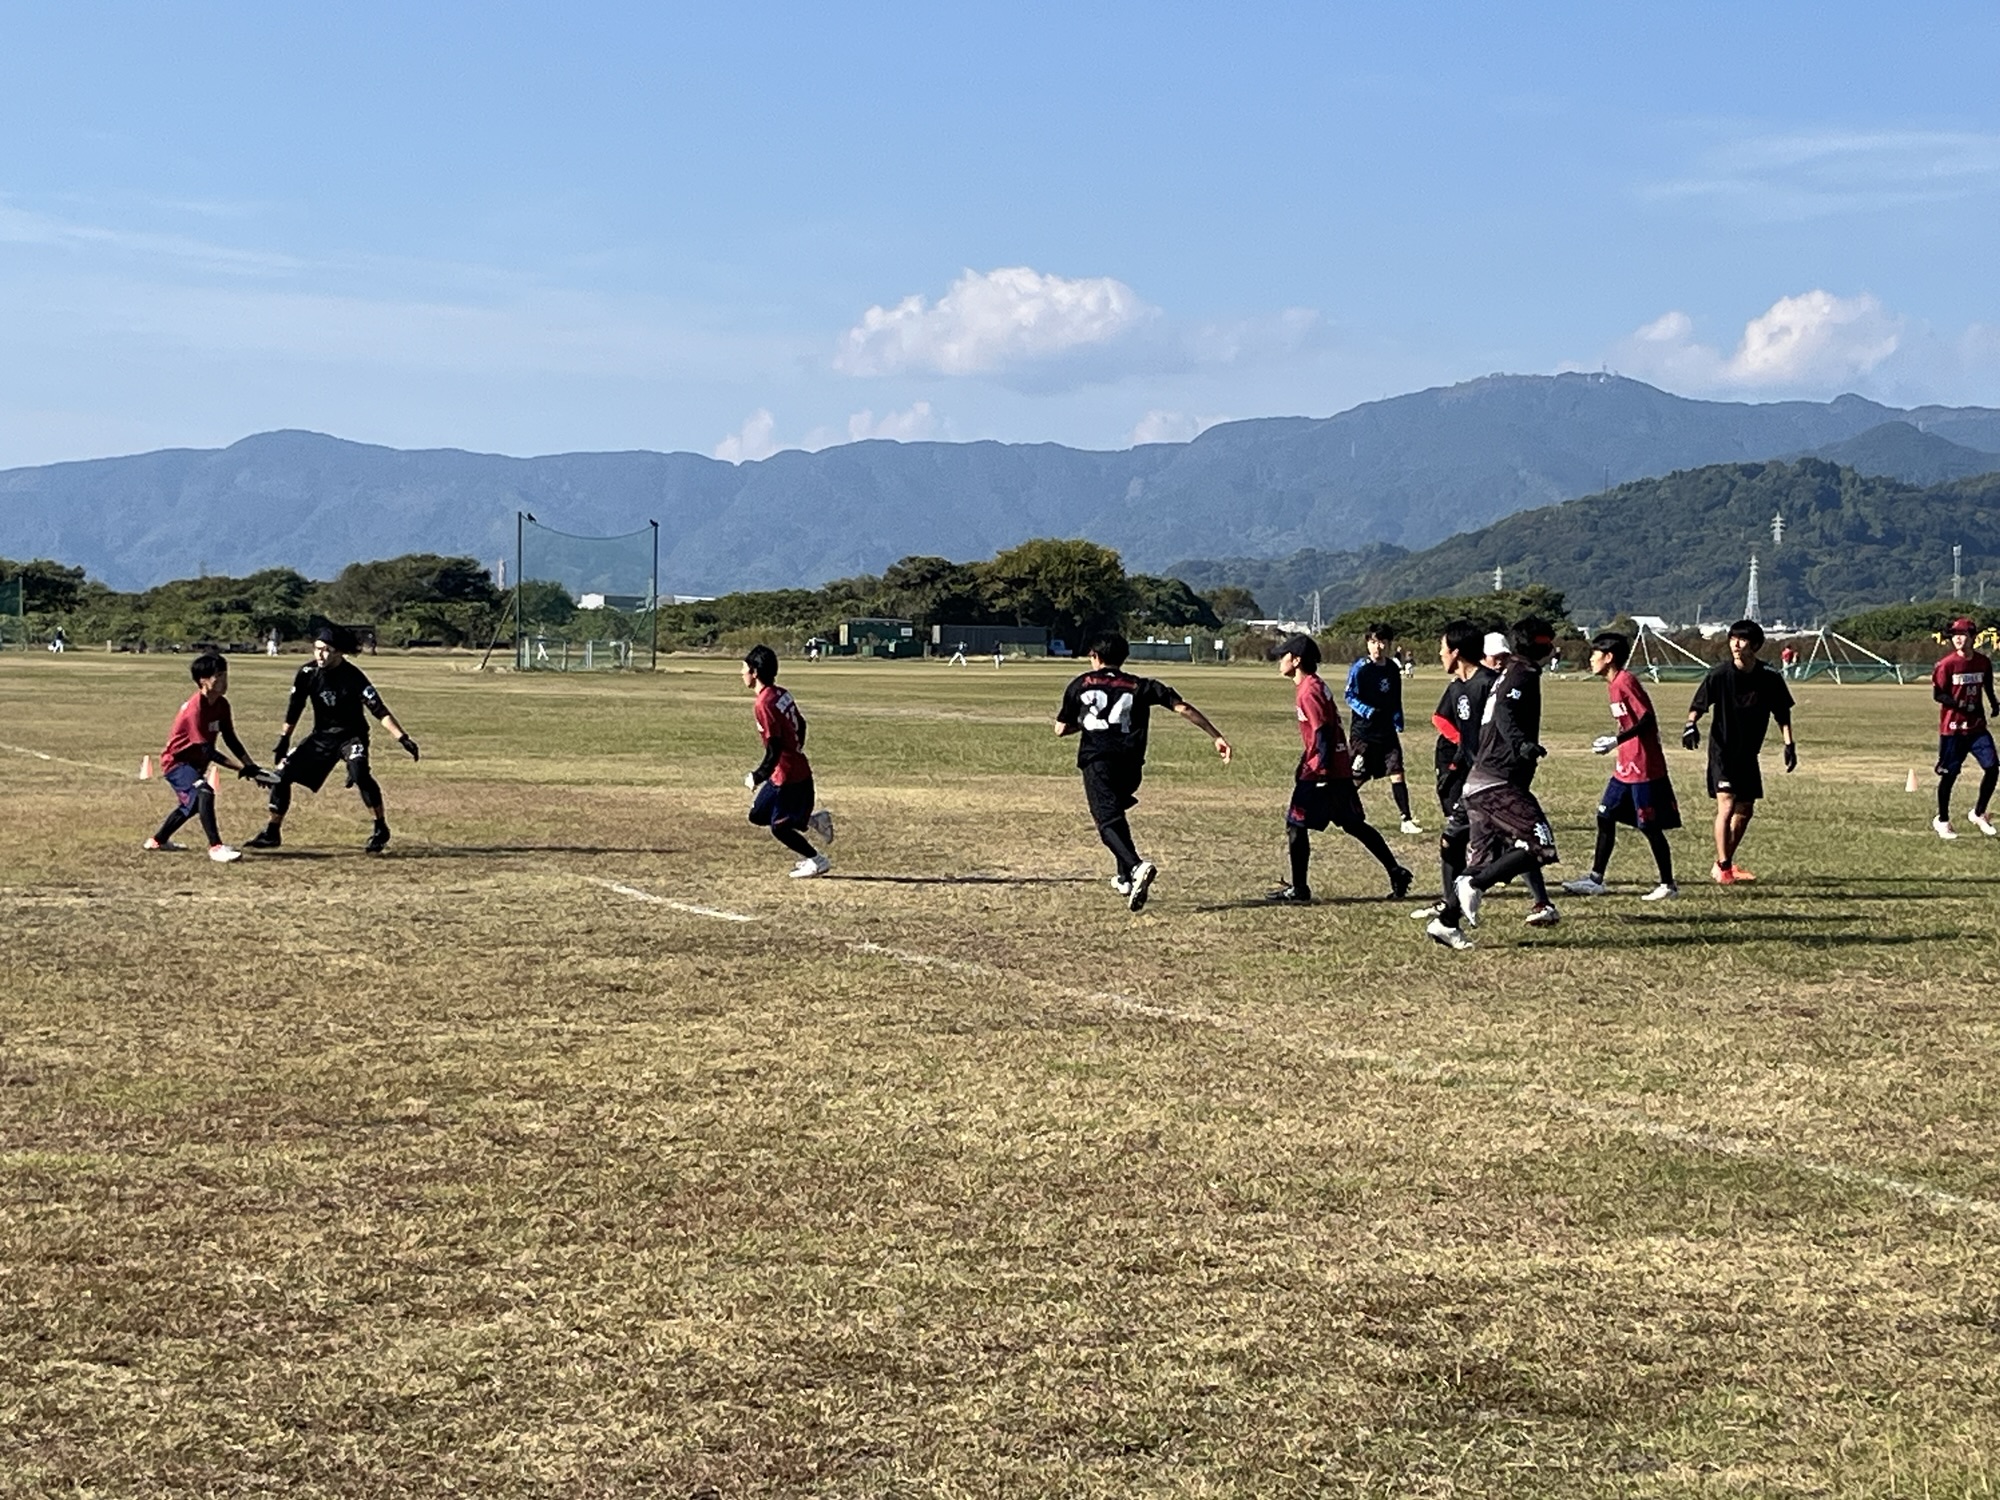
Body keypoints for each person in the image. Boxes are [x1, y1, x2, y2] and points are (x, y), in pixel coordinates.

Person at [1054, 631, 1231, 912]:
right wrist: (1216, 735)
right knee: (1115, 813)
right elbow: (1182, 707)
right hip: (1131, 764)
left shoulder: (1080, 683)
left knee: (1106, 821)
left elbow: (1061, 729)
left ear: (1095, 656)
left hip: (1098, 761)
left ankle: (1136, 867)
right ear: (1124, 657)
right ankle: (1124, 878)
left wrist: (1086, 723)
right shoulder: (1140, 685)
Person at [245, 624, 420, 853]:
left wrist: (402, 738)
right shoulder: (307, 673)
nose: (320, 654)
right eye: (317, 648)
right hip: (322, 737)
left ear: (339, 653)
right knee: (282, 775)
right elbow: (295, 708)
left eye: (327, 650)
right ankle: (272, 832)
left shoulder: (353, 676)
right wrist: (284, 739)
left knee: (359, 773)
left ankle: (380, 827)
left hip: (351, 736)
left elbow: (379, 709)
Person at [1268, 634, 1412, 905]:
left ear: (1296, 660)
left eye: (1283, 656)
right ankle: (1396, 870)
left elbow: (1322, 730)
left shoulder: (1309, 690)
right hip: (1336, 768)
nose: (1279, 661)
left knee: (1296, 824)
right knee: (1353, 823)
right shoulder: (1313, 684)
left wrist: (1321, 770)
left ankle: (1300, 889)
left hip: (1323, 772)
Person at [1452, 617, 1562, 933]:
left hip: (1482, 780)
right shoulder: (1522, 672)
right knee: (1539, 843)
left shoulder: (1512, 671)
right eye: (1548, 640)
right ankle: (1475, 886)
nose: (1552, 646)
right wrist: (1521, 743)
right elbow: (1504, 710)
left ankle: (1446, 922)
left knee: (1483, 862)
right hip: (1497, 781)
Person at [1563, 631, 1680, 902]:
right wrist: (1616, 742)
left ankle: (1668, 885)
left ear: (1609, 657)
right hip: (1625, 766)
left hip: (1642, 765)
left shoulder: (1625, 681)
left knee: (1649, 825)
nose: (1591, 659)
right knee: (1605, 815)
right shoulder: (1613, 684)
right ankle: (1595, 879)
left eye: (1595, 654)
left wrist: (1616, 740)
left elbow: (1647, 719)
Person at [1683, 619, 1796, 884]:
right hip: (1722, 751)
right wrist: (1690, 725)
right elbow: (1699, 704)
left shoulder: (1769, 677)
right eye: (1733, 638)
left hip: (1748, 753)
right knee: (1727, 804)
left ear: (1755, 645)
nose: (1735, 644)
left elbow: (1782, 713)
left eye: (1742, 639)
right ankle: (1724, 867)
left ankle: (1723, 863)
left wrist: (1789, 744)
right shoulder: (1719, 675)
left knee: (1745, 811)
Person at [144, 652, 270, 863]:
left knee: (192, 805)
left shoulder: (222, 705)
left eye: (225, 675)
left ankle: (157, 841)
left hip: (195, 764)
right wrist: (241, 769)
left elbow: (230, 738)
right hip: (177, 763)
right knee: (204, 792)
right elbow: (207, 750)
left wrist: (252, 766)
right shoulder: (195, 709)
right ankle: (216, 847)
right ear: (203, 680)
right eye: (218, 676)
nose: (224, 681)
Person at [1418, 621, 1498, 949]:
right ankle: (1450, 915)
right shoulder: (1457, 688)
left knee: (1519, 845)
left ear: (1456, 652)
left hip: (1494, 780)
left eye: (1443, 648)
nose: (1440, 654)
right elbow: (1452, 728)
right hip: (1470, 778)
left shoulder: (1489, 684)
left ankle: (1541, 902)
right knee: (1451, 843)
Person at [741, 644, 835, 877]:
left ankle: (817, 860)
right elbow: (801, 724)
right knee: (758, 815)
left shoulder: (764, 703)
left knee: (779, 827)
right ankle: (813, 821)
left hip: (789, 776)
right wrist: (797, 747)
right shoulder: (781, 693)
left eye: (744, 668)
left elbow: (774, 748)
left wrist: (757, 775)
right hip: (784, 770)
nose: (741, 673)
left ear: (754, 672)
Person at [1345, 623, 1422, 834]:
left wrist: (1398, 719)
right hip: (1364, 733)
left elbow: (1395, 697)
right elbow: (1349, 695)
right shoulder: (1360, 668)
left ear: (1388, 644)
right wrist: (1366, 710)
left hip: (1386, 731)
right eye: (1372, 642)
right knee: (1358, 776)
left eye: (1381, 642)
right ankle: (1335, 806)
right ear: (1367, 644)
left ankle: (1406, 819)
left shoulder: (1392, 669)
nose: (1377, 647)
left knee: (1397, 771)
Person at [1931, 615, 1998, 839]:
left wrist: (1994, 703)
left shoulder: (1982, 662)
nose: (1958, 639)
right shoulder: (1947, 664)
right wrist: (1958, 704)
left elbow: (1987, 685)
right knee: (1949, 775)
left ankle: (1978, 813)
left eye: (1963, 634)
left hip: (1976, 727)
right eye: (1955, 635)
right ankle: (1942, 820)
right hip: (1953, 729)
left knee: (1992, 767)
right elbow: (1938, 694)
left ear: (1973, 637)